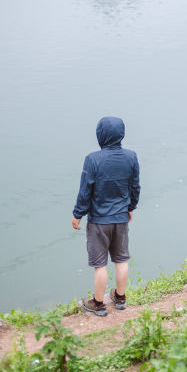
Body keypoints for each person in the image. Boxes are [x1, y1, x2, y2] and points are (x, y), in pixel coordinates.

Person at [72, 116, 140, 316]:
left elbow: (85, 191)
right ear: (121, 134)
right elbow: (135, 187)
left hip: (99, 221)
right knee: (121, 259)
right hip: (120, 219)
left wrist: (77, 214)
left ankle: (98, 303)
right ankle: (120, 298)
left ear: (100, 134)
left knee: (100, 265)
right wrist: (131, 207)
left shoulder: (93, 159)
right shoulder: (131, 157)